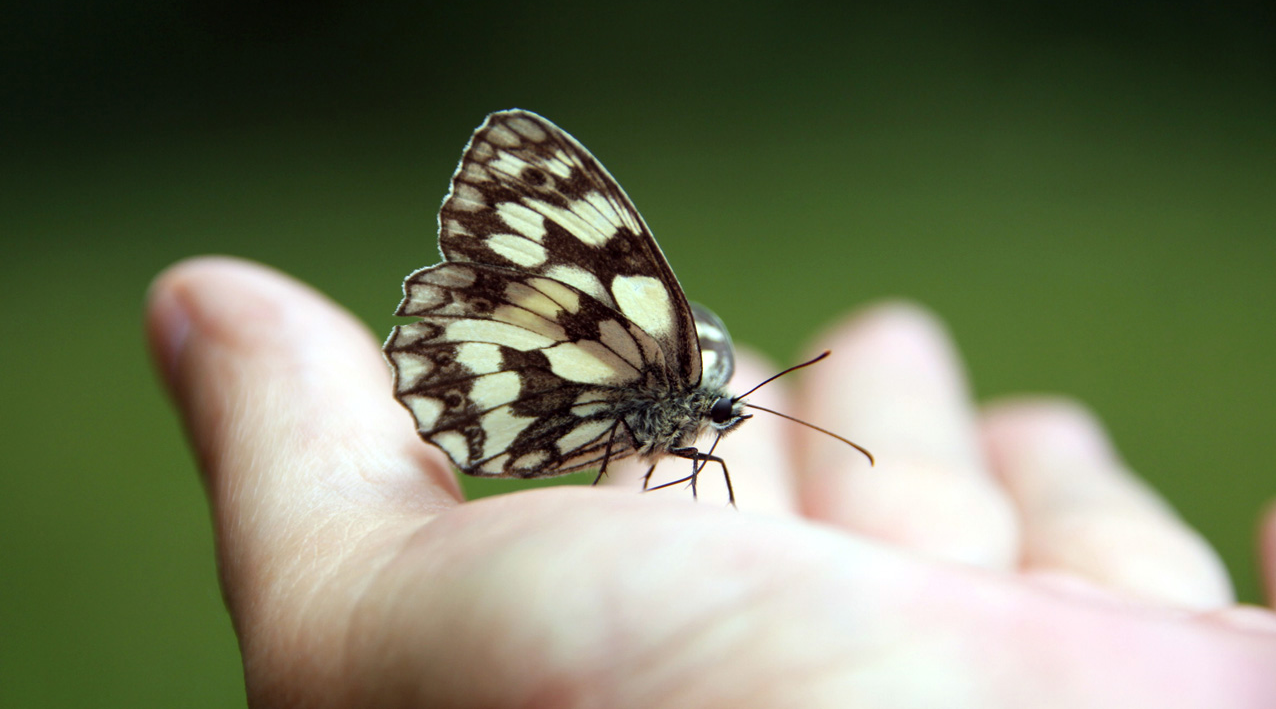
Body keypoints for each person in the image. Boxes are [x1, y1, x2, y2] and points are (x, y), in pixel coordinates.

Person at [146, 256, 1276, 707]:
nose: (722, 426)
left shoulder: (697, 413)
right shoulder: (668, 375)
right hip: (515, 376)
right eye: (721, 413)